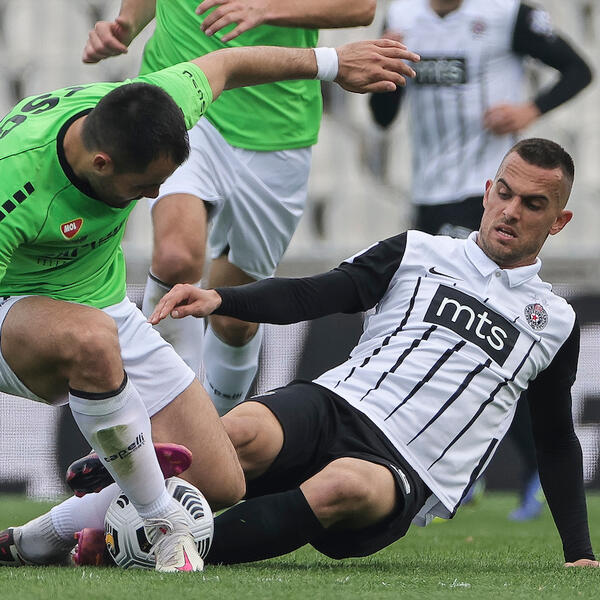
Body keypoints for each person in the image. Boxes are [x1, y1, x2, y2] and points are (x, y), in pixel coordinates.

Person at [0, 39, 419, 571]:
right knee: (90, 341)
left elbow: (228, 62)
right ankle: (163, 523)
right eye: (143, 185)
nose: (153, 196)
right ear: (101, 162)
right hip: (13, 307)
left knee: (220, 479)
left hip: (101, 306)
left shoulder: (152, 103)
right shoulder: (13, 185)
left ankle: (36, 538)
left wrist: (333, 64)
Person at [143, 138, 596, 567]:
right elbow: (317, 293)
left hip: (404, 465)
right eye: (505, 193)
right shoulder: (417, 249)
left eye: (533, 204)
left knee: (344, 486)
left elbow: (556, 437)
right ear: (487, 192)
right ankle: (102, 522)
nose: (511, 211)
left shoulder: (555, 321)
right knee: (240, 431)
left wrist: (578, 549)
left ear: (559, 221)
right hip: (336, 403)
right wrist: (222, 298)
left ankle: (165, 553)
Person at [81, 0, 377, 416]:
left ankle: (218, 427)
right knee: (176, 257)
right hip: (185, 100)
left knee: (235, 318)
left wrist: (267, 9)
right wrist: (126, 24)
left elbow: (360, 7)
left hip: (277, 128)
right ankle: (158, 418)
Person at [369, 0, 592, 520]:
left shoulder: (506, 13)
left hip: (489, 196)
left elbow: (579, 69)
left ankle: (530, 466)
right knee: (435, 339)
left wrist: (530, 111)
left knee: (482, 338)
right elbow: (382, 117)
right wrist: (389, 72)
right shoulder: (402, 16)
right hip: (428, 194)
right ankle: (454, 463)